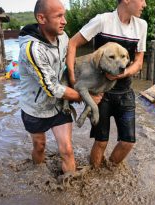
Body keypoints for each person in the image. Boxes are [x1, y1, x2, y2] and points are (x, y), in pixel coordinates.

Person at [18, 0, 101, 174]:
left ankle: (70, 192)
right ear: (41, 18)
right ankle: (37, 176)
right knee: (40, 147)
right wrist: (86, 97)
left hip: (58, 106)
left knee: (67, 150)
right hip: (35, 108)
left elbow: (68, 66)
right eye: (59, 16)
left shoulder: (63, 38)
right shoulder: (32, 49)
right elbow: (52, 88)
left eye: (64, 15)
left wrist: (90, 81)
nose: (65, 21)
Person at [66, 0, 147, 168]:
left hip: (125, 92)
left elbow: (139, 62)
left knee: (128, 142)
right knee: (101, 142)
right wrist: (73, 80)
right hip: (100, 92)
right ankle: (95, 175)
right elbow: (72, 43)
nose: (145, 4)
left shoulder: (141, 25)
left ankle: (109, 171)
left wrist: (122, 74)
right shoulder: (103, 20)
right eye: (142, 0)